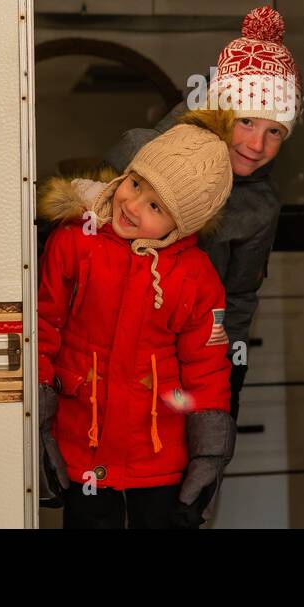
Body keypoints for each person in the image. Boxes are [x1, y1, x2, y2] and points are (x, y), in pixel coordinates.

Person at [36, 106, 238, 528]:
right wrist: (36, 416)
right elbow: (44, 326)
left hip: (158, 452)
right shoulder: (75, 242)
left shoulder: (195, 276)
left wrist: (209, 451)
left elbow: (207, 364)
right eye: (134, 183)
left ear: (180, 226)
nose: (131, 204)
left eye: (154, 206)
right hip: (83, 443)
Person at [99, 6, 302, 419]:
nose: (256, 145)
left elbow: (240, 297)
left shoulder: (260, 205)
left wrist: (230, 380)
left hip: (187, 364)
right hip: (105, 343)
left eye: (274, 131)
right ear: (219, 110)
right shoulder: (141, 151)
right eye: (245, 121)